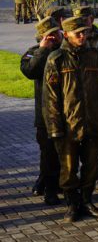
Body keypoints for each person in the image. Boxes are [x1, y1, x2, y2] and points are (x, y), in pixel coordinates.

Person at [43, 16, 98, 222]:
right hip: (68, 126)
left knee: (92, 166)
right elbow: (51, 99)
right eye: (78, 33)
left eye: (85, 32)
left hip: (92, 123)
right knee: (69, 168)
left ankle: (86, 200)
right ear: (66, 35)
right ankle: (72, 204)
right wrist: (55, 128)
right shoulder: (56, 59)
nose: (83, 36)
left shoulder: (95, 57)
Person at [20, 18, 63, 205]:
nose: (54, 38)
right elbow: (30, 71)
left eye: (57, 33)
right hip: (45, 116)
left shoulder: (65, 52)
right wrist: (44, 49)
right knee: (48, 154)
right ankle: (49, 190)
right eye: (50, 35)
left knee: (65, 154)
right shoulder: (33, 53)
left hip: (67, 113)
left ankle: (61, 185)